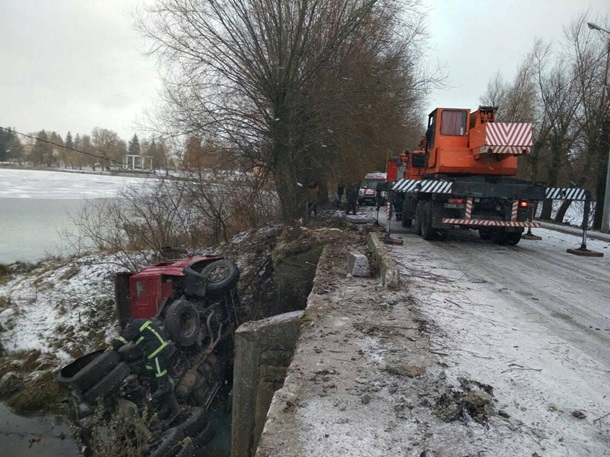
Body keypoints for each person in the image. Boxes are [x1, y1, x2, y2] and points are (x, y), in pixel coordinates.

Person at [111, 317, 171, 399]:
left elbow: (123, 340)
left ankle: (164, 386)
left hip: (156, 345)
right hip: (152, 345)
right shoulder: (136, 323)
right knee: (148, 365)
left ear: (124, 326)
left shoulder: (132, 326)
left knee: (157, 364)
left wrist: (114, 345)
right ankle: (153, 383)